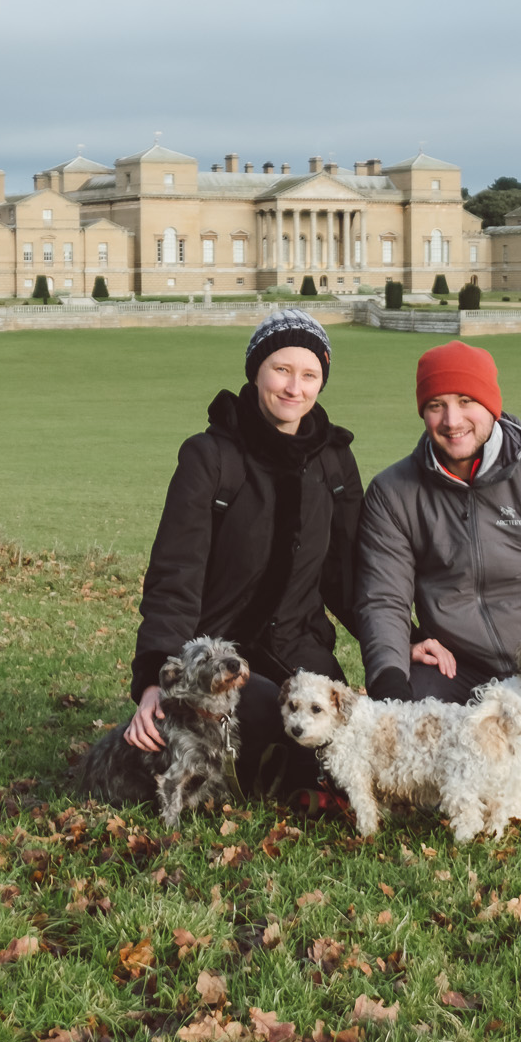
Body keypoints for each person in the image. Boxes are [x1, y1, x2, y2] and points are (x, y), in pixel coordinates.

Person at [355, 340, 521, 817]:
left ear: (492, 406)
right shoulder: (393, 492)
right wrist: (391, 690)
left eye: (466, 402)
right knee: (422, 794)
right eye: (436, 405)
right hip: (454, 673)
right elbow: (383, 600)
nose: (452, 419)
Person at [124, 309, 362, 800]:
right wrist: (152, 680)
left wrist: (405, 641)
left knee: (338, 731)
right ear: (256, 371)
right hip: (220, 652)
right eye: (281, 369)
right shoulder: (209, 457)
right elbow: (176, 574)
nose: (294, 387)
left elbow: (347, 574)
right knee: (254, 719)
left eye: (309, 374)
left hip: (301, 647)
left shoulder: (334, 459)